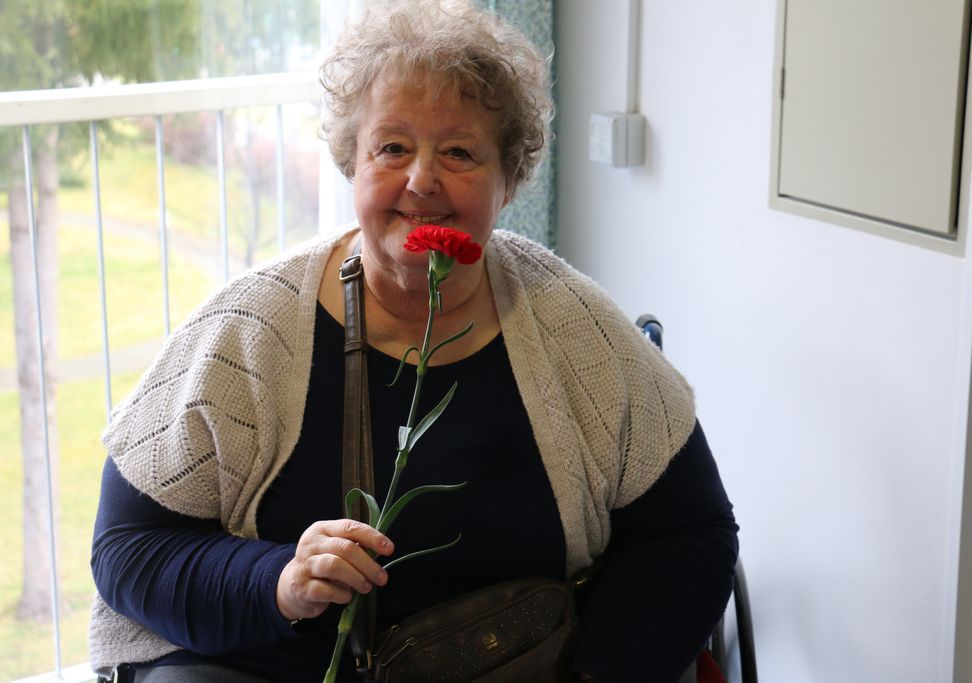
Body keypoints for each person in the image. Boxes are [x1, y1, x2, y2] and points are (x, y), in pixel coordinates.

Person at [89, 1, 739, 681]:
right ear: (353, 161)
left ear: (508, 180)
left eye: (458, 152)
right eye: (392, 148)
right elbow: (128, 548)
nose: (422, 180)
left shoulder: (577, 330)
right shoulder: (250, 332)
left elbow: (689, 534)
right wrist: (277, 580)